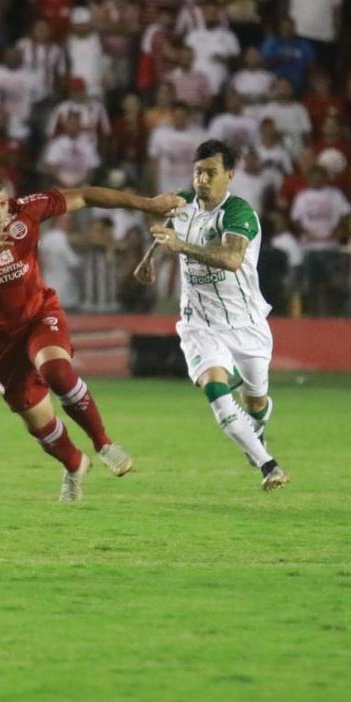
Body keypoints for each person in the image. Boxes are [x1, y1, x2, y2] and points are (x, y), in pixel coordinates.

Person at [0, 170, 184, 502]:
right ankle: (75, 465)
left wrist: (147, 203)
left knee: (56, 371)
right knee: (39, 422)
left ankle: (104, 443)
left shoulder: (27, 210)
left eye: (3, 205)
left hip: (38, 315)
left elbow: (87, 195)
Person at [136, 139, 290, 492]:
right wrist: (148, 261)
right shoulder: (183, 202)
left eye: (211, 173)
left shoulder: (239, 213)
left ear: (230, 176)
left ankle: (258, 424)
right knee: (218, 395)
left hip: (246, 323)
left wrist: (181, 247)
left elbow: (233, 259)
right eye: (198, 172)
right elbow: (167, 233)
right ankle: (269, 466)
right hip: (199, 323)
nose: (202, 180)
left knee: (256, 401)